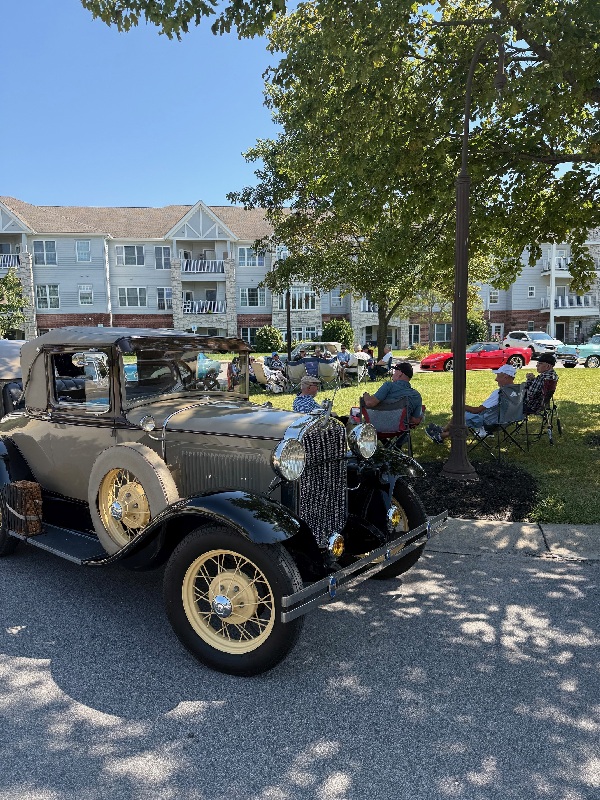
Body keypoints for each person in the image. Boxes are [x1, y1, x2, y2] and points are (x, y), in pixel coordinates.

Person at [425, 363, 517, 444]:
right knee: (462, 416)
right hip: (505, 422)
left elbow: (476, 410)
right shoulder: (517, 392)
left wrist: (459, 406)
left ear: (505, 377)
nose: (496, 379)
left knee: (460, 415)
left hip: (488, 422)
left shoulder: (499, 393)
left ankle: (441, 435)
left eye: (498, 376)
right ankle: (443, 430)